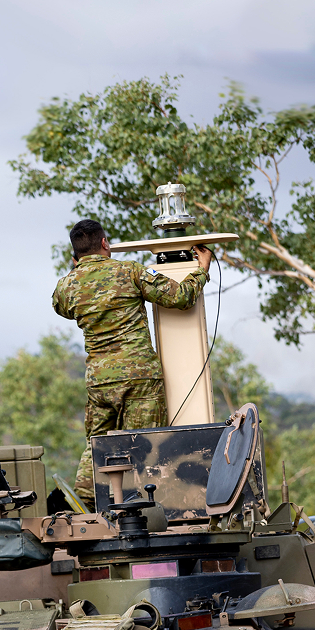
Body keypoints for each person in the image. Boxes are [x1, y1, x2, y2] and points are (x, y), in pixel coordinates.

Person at [52, 218, 212, 511]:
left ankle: (79, 508)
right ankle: (142, 516)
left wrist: (79, 271)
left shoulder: (66, 286)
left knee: (96, 446)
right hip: (139, 379)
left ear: (75, 253)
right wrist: (201, 271)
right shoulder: (129, 271)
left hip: (99, 382)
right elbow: (181, 297)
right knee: (144, 451)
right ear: (104, 244)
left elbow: (62, 306)